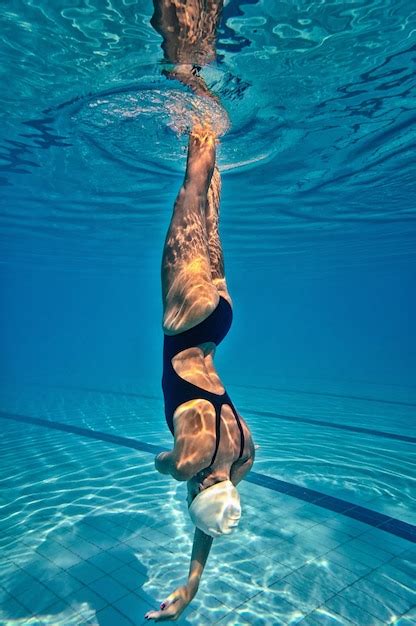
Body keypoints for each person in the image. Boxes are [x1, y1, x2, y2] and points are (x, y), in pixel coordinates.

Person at [145, 3, 255, 622]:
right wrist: (170, 470)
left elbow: (212, 515)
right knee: (192, 181)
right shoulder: (190, 461)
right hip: (184, 323)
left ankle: (209, 115)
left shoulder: (242, 456)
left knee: (211, 207)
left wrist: (191, 585)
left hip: (218, 322)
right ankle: (193, 67)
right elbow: (172, 466)